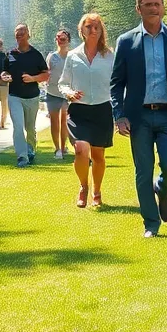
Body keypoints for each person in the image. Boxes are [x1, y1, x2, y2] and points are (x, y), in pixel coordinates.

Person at [111, 0, 167, 238]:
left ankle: (162, 188)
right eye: (148, 4)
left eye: (157, 4)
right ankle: (151, 223)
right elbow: (117, 82)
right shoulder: (126, 41)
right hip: (137, 117)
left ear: (163, 8)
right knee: (143, 171)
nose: (153, 8)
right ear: (138, 9)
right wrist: (119, 115)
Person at [58, 13, 116, 209]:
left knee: (98, 156)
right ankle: (83, 186)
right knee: (81, 150)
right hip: (78, 111)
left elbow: (117, 82)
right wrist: (69, 92)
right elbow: (62, 83)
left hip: (102, 109)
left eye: (96, 27)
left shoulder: (109, 55)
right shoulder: (73, 56)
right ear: (81, 30)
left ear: (101, 31)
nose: (92, 30)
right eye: (88, 27)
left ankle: (97, 190)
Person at [2, 23, 48, 167]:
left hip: (32, 97)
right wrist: (5, 76)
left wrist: (33, 78)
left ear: (28, 34)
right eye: (17, 31)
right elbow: (4, 72)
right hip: (14, 96)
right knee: (18, 126)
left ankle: (30, 150)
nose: (20, 34)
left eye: (22, 31)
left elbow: (46, 74)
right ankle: (22, 156)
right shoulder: (10, 54)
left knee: (30, 128)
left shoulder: (36, 54)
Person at [44, 29, 73, 160]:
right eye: (58, 39)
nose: (60, 41)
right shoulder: (52, 56)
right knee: (54, 121)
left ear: (68, 41)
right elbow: (46, 72)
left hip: (66, 94)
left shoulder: (72, 56)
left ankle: (63, 146)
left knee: (64, 121)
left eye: (63, 39)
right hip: (52, 92)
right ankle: (57, 149)